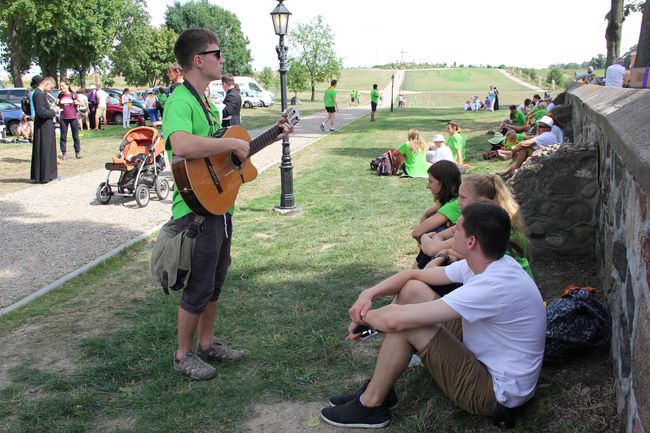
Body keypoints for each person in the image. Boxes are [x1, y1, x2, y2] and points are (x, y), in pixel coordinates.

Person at [320, 201, 546, 429]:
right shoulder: (489, 263)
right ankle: (380, 390)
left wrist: (363, 318)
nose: (451, 233)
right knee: (412, 291)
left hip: (495, 393)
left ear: (471, 242)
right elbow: (413, 276)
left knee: (408, 324)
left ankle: (370, 405)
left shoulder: (492, 285)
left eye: (457, 229)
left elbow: (396, 320)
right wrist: (368, 294)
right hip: (484, 351)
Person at [162, 28, 293, 381]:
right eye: (216, 53)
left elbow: (229, 156)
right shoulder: (181, 100)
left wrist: (272, 135)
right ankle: (183, 354)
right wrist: (227, 147)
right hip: (195, 212)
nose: (222, 59)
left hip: (219, 207)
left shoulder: (205, 100)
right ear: (198, 60)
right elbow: (183, 146)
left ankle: (207, 345)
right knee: (199, 284)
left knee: (215, 281)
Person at [419, 174, 533, 280]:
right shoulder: (488, 217)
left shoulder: (488, 225)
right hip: (491, 276)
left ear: (482, 201)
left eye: (463, 197)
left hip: (499, 280)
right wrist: (444, 248)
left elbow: (432, 249)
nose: (459, 202)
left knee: (427, 263)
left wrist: (425, 237)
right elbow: (441, 239)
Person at [412, 161, 462, 269]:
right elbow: (427, 214)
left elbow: (417, 233)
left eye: (431, 181)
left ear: (443, 183)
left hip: (456, 253)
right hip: (451, 248)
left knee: (434, 232)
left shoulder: (454, 205)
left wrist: (424, 247)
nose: (427, 186)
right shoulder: (454, 199)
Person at [31, 76, 60, 183]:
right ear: (45, 84)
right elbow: (41, 112)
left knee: (46, 150)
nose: (51, 90)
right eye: (51, 88)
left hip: (45, 125)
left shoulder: (40, 94)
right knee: (45, 150)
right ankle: (46, 175)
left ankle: (45, 174)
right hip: (43, 126)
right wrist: (54, 111)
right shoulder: (38, 94)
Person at [55, 81, 81, 159]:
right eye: (60, 86)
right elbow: (57, 105)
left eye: (63, 86)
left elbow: (82, 103)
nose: (61, 88)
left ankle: (77, 152)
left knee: (75, 136)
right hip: (63, 118)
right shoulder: (60, 95)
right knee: (63, 136)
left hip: (73, 117)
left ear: (67, 86)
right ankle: (64, 153)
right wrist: (56, 103)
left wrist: (77, 102)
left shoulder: (73, 95)